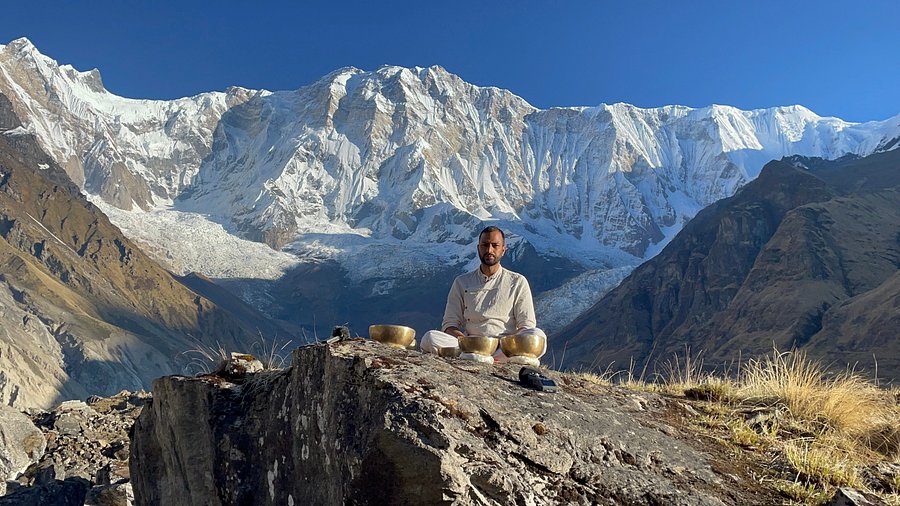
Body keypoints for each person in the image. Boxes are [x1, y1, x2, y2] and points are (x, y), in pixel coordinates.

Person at [420, 225, 546, 363]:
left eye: (495, 245)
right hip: (472, 345)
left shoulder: (517, 282)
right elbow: (449, 325)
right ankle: (493, 359)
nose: (489, 250)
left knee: (538, 335)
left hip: (505, 346)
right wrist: (466, 342)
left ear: (503, 250)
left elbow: (527, 325)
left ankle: (487, 359)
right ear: (478, 248)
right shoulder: (462, 282)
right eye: (485, 245)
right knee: (430, 337)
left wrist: (501, 343)